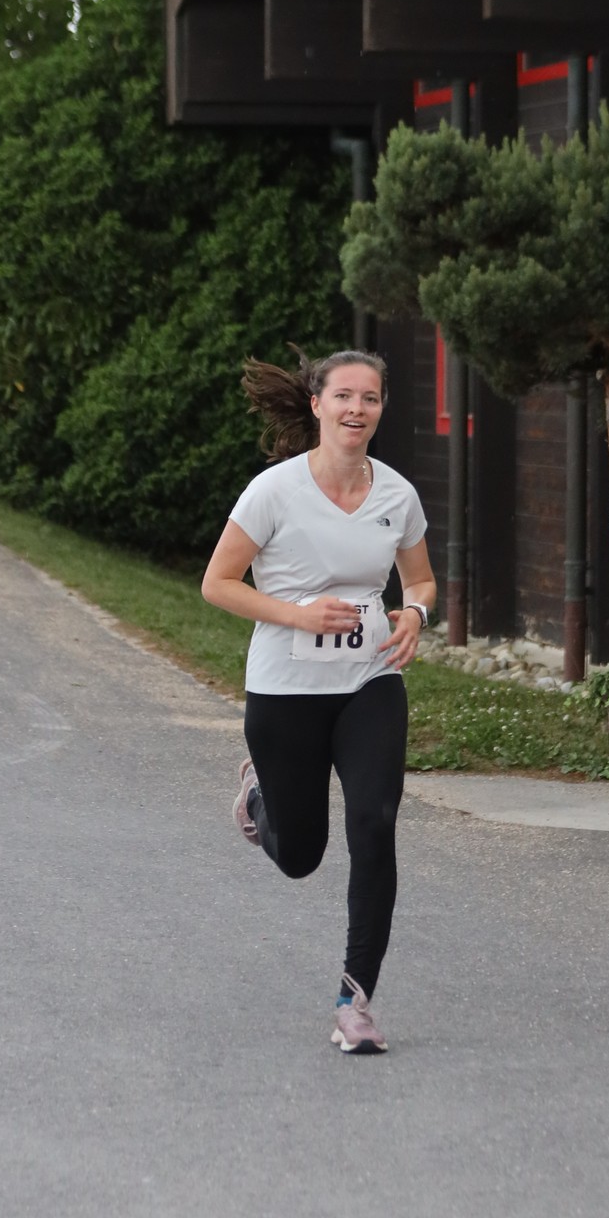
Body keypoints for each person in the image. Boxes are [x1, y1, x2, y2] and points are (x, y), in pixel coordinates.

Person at [201, 350, 436, 1054]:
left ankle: (354, 1004)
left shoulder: (397, 495)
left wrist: (415, 615)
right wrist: (297, 614)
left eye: (370, 398)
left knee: (375, 822)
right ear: (317, 404)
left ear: (381, 408)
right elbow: (218, 583)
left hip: (370, 681)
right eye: (344, 396)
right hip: (285, 690)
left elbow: (421, 580)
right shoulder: (273, 492)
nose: (357, 409)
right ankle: (259, 798)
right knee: (301, 855)